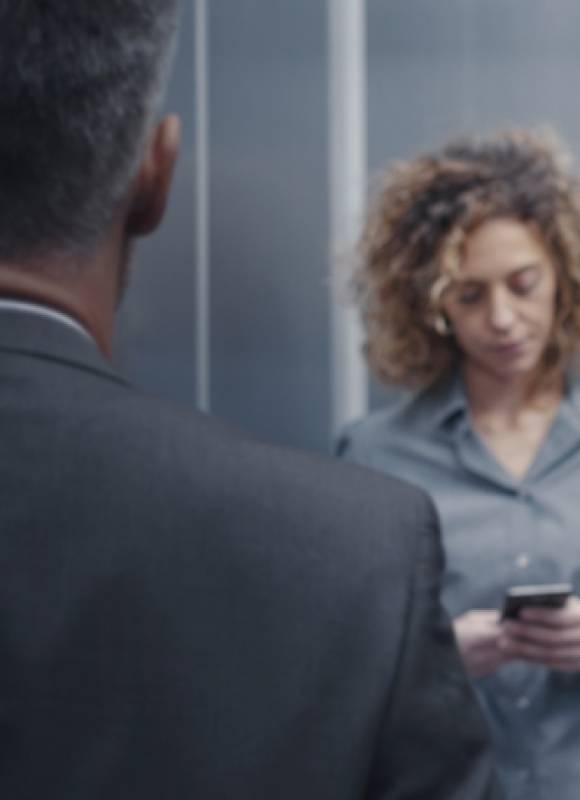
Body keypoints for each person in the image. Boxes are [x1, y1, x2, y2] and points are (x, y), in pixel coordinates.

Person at [0, 2, 499, 797]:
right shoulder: (355, 548)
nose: (503, 317)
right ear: (157, 173)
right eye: (472, 292)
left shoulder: (363, 547)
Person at [337, 129, 580, 800]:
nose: (502, 318)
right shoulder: (375, 453)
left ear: (563, 274)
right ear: (430, 303)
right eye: (469, 296)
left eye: (523, 284)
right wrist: (436, 654)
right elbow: (352, 650)